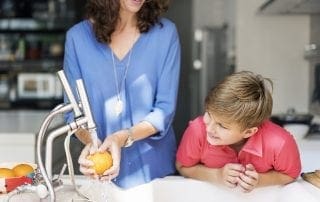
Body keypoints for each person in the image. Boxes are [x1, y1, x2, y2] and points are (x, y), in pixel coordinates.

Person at [63, 0, 181, 189]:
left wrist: (122, 137)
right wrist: (92, 144)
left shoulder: (165, 34)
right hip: (100, 172)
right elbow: (73, 114)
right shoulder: (77, 38)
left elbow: (164, 110)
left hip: (154, 172)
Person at [176, 71, 301, 192]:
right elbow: (182, 166)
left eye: (222, 126)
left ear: (249, 132)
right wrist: (217, 175)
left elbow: (290, 174)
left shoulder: (280, 143)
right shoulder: (197, 130)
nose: (209, 128)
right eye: (209, 113)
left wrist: (260, 181)